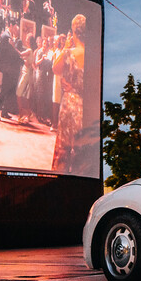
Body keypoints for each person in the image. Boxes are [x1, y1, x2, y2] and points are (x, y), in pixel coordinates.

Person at [52, 15, 86, 173]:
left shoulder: (70, 52)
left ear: (73, 31)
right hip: (83, 106)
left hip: (69, 104)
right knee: (79, 150)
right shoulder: (91, 55)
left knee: (64, 147)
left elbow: (55, 69)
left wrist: (66, 47)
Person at [0, 23, 25, 120]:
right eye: (15, 28)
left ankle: (2, 111)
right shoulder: (6, 36)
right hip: (7, 68)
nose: (16, 31)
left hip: (9, 68)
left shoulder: (7, 36)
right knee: (4, 90)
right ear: (11, 26)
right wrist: (20, 57)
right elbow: (9, 52)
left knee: (6, 90)